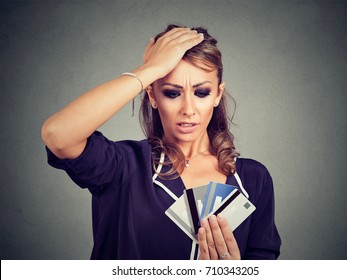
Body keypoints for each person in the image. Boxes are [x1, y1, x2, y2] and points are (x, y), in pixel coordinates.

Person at [41, 24, 281, 260]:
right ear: (153, 95)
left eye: (201, 93)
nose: (188, 109)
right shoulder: (123, 166)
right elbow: (58, 134)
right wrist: (151, 69)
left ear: (217, 95)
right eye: (172, 93)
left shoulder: (253, 179)